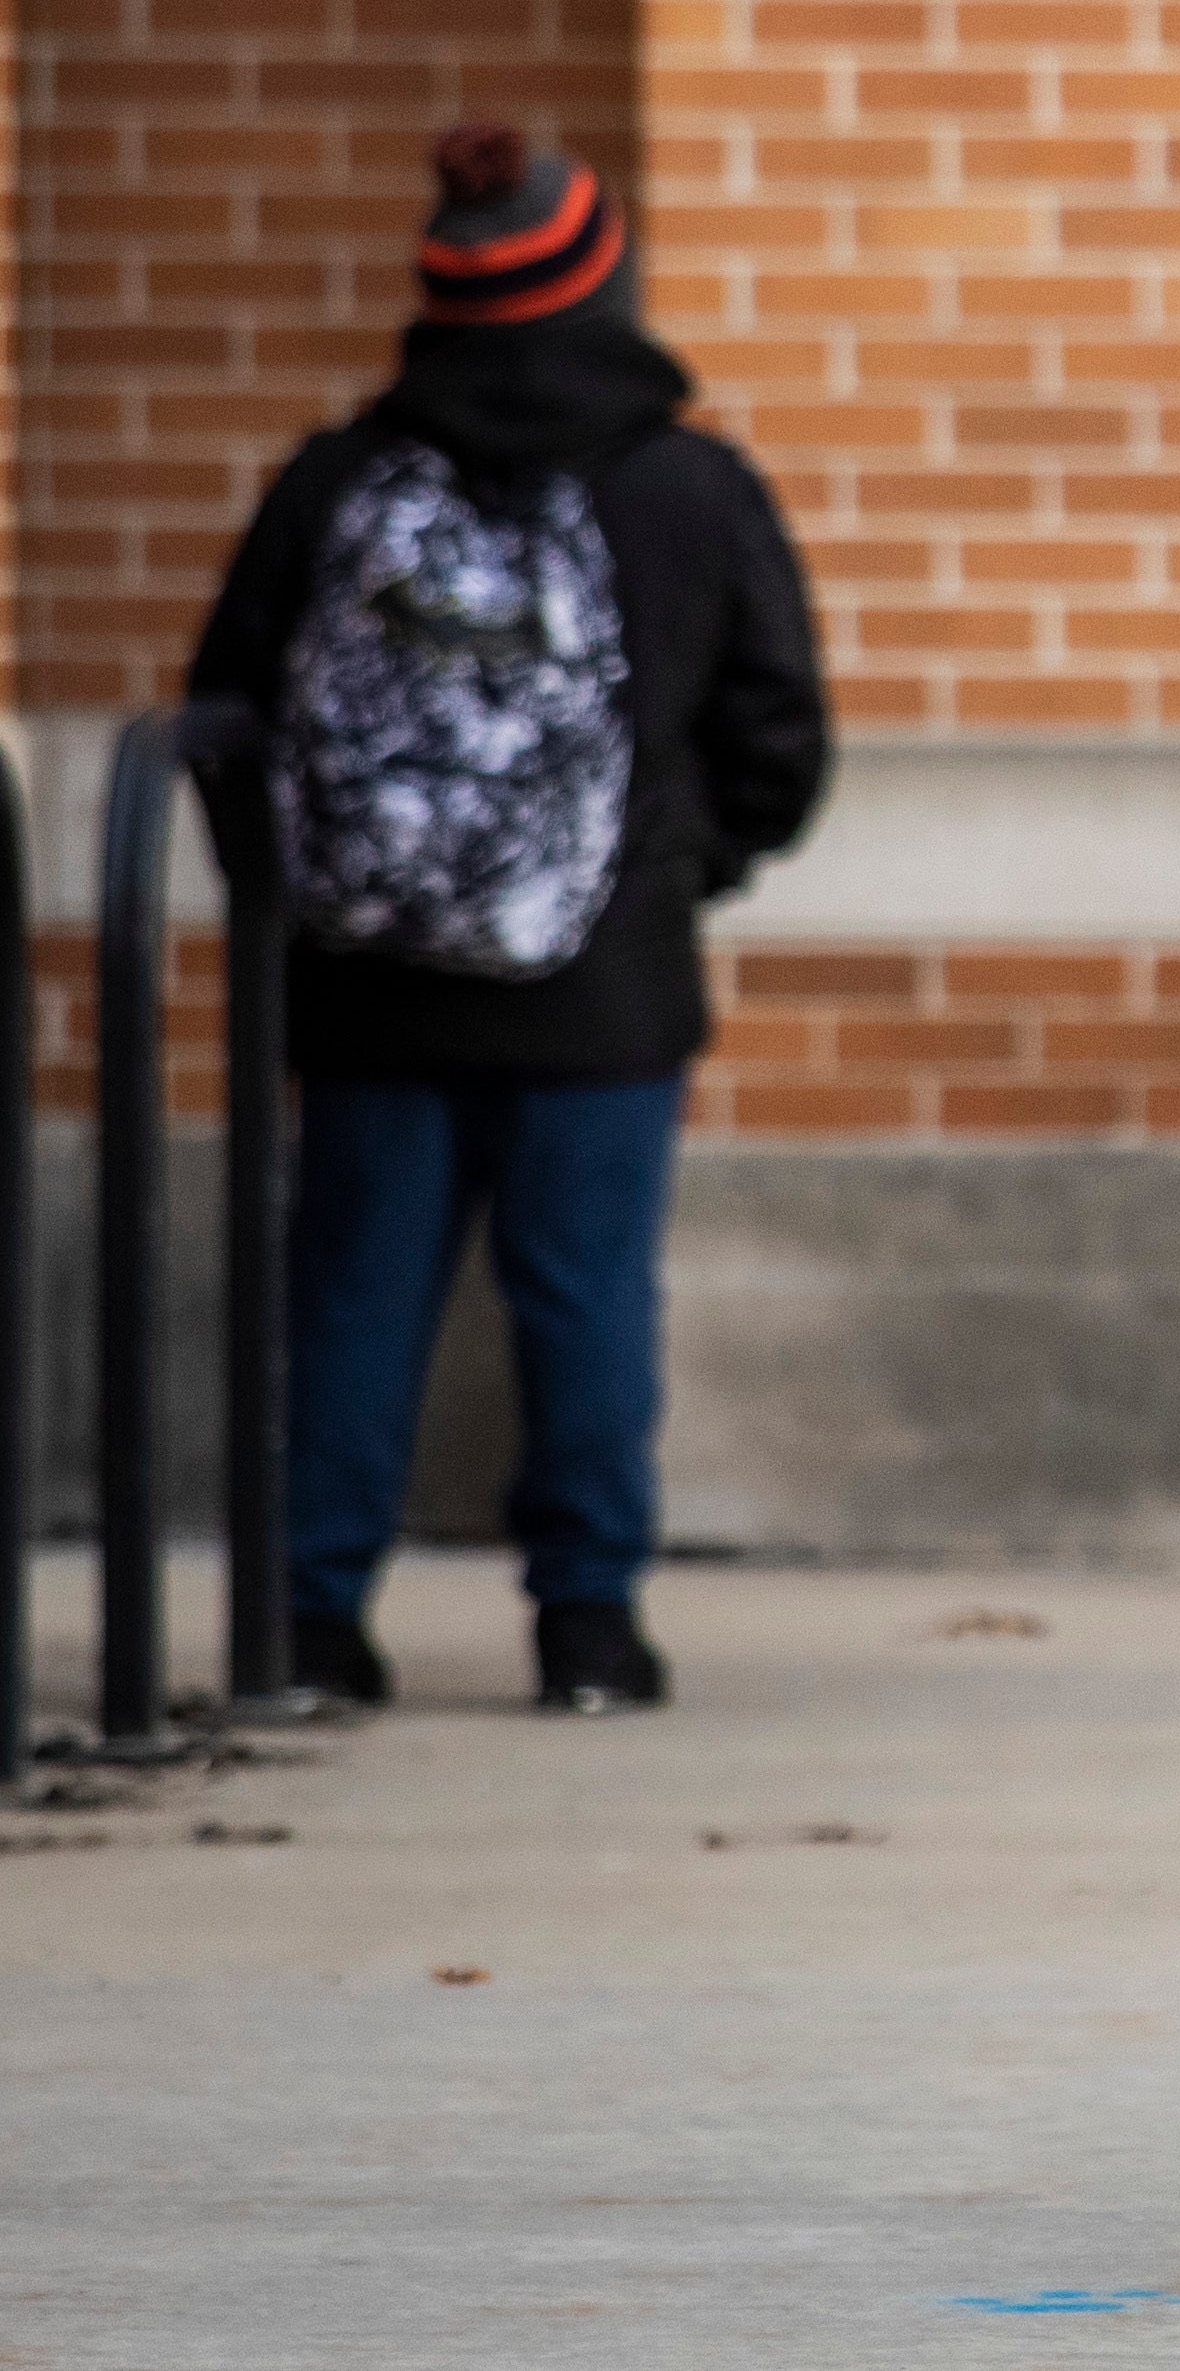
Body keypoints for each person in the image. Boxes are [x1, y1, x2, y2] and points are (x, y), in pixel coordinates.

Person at [191, 125, 829, 1716]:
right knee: (587, 1297)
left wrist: (323, 899)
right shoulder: (689, 485)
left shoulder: (339, 480)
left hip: (368, 990)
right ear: (602, 283)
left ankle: (313, 1621)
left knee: (352, 1297)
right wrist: (678, 873)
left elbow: (226, 715)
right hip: (602, 994)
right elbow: (781, 738)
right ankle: (590, 1627)